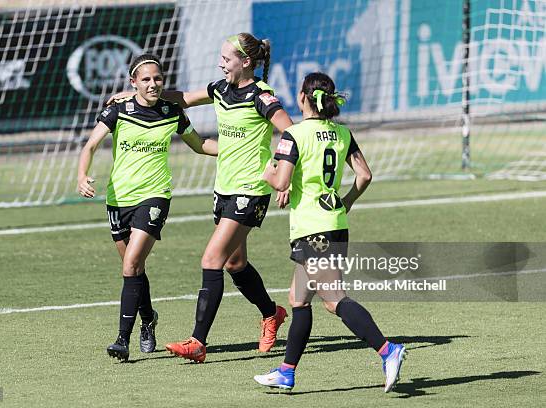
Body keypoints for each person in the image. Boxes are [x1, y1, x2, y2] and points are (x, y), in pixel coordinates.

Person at [108, 33, 293, 362]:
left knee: (212, 260)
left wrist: (283, 176)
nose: (221, 63)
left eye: (226, 58)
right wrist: (134, 93)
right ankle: (271, 313)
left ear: (246, 62)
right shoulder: (220, 90)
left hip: (250, 190)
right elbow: (183, 97)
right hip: (224, 188)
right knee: (236, 263)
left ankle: (198, 342)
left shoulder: (261, 96)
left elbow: (290, 133)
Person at [254, 72, 406, 392]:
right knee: (298, 299)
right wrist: (346, 202)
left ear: (302, 98)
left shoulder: (293, 135)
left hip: (313, 229)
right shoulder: (341, 133)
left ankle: (388, 350)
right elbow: (364, 175)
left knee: (334, 298)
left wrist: (265, 168)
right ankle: (286, 371)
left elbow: (281, 182)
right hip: (334, 223)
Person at [78, 54, 217, 362]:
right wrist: (81, 175)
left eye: (157, 78)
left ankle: (121, 341)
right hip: (118, 198)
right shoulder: (119, 110)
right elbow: (89, 146)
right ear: (133, 83)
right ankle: (148, 319)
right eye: (146, 79)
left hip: (154, 197)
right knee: (134, 268)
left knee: (130, 265)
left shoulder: (172, 111)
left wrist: (235, 150)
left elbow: (199, 144)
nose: (153, 84)